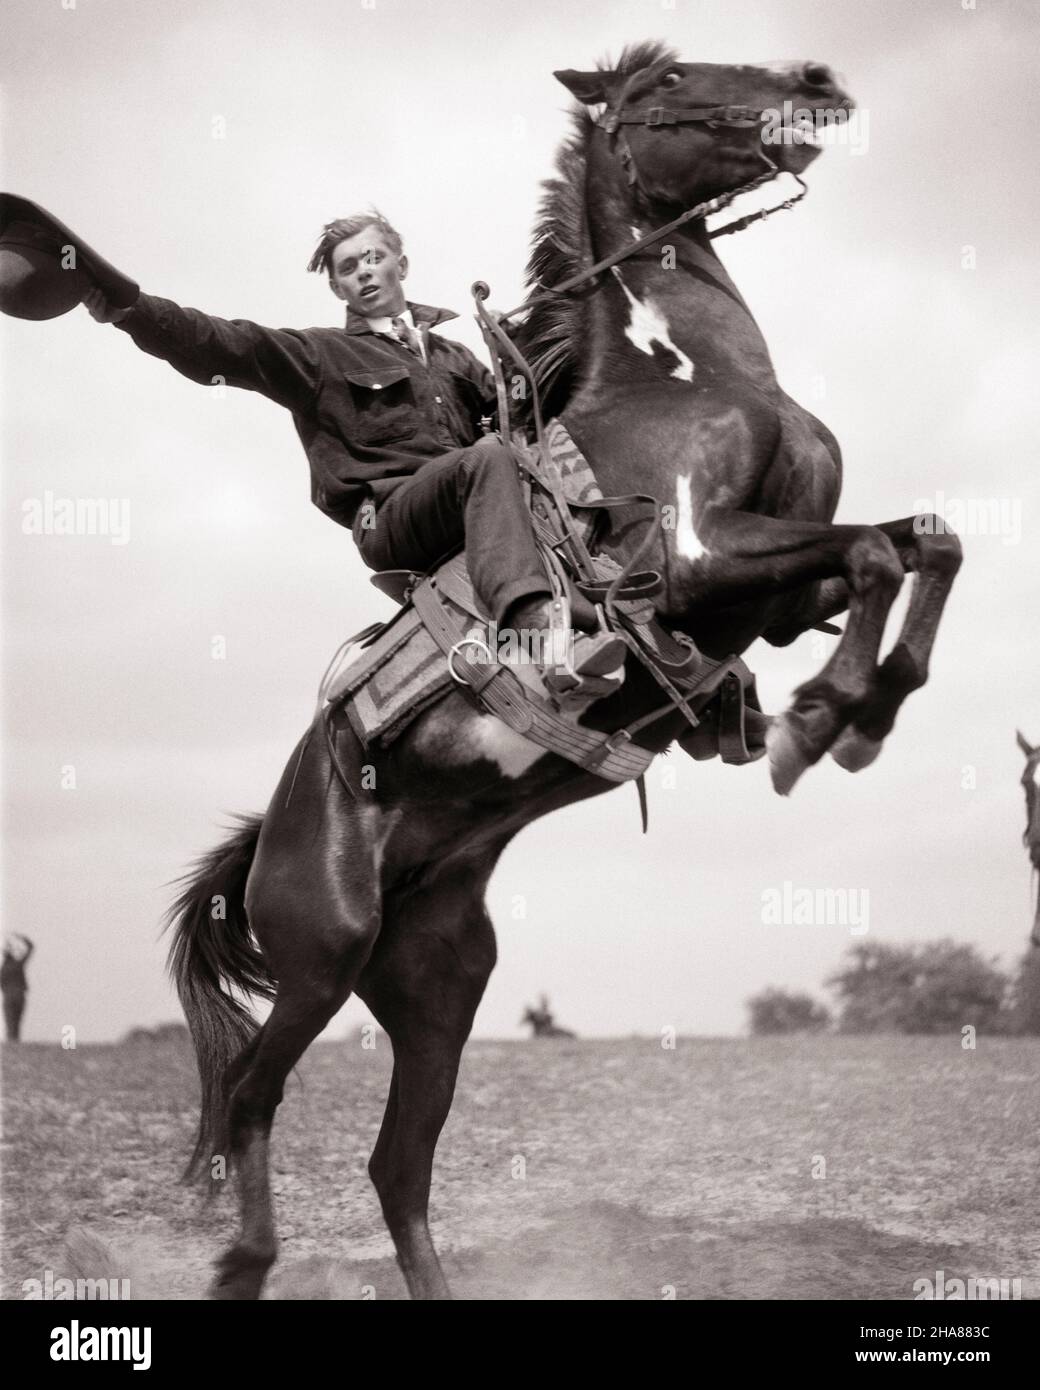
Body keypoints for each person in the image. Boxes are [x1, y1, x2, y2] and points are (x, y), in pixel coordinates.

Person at [84, 211, 625, 695]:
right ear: (339, 289)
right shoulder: (321, 354)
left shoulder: (458, 356)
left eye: (374, 257)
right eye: (348, 268)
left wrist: (519, 359)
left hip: (474, 504)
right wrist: (131, 310)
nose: (364, 271)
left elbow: (523, 418)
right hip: (391, 520)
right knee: (489, 458)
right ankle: (532, 624)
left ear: (401, 265)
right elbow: (225, 343)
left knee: (564, 472)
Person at [1, 935, 34, 1042]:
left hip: (8, 996)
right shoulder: (18, 964)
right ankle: (15, 1042)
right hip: (19, 996)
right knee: (17, 1021)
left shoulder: (3, 970)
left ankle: (12, 1042)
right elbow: (30, 947)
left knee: (10, 1021)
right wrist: (20, 937)